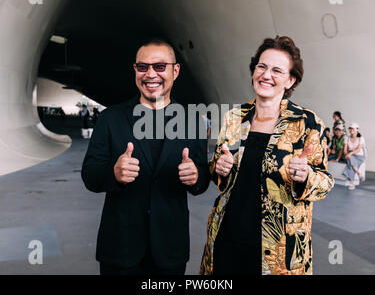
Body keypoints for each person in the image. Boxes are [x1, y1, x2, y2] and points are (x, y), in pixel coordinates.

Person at [200, 36, 334, 275]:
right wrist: (219, 167)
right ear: (254, 70)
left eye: (277, 70)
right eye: (261, 66)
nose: (266, 74)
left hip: (279, 249)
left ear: (290, 80)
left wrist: (306, 176)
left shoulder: (308, 122)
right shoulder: (234, 117)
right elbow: (217, 170)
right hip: (227, 237)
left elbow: (325, 182)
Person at [81, 39, 210, 275]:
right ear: (135, 71)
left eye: (160, 66)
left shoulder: (193, 122)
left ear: (175, 70)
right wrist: (114, 173)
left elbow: (201, 180)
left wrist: (196, 177)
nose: (151, 74)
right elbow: (90, 175)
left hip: (169, 249)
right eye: (143, 67)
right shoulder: (111, 118)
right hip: (120, 250)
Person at [343, 123, 366, 190]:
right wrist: (346, 154)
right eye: (350, 128)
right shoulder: (347, 138)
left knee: (350, 163)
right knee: (350, 160)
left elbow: (358, 149)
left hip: (359, 156)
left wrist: (350, 154)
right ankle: (359, 174)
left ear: (357, 129)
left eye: (353, 128)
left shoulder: (361, 138)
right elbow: (345, 149)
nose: (351, 130)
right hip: (349, 155)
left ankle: (352, 182)